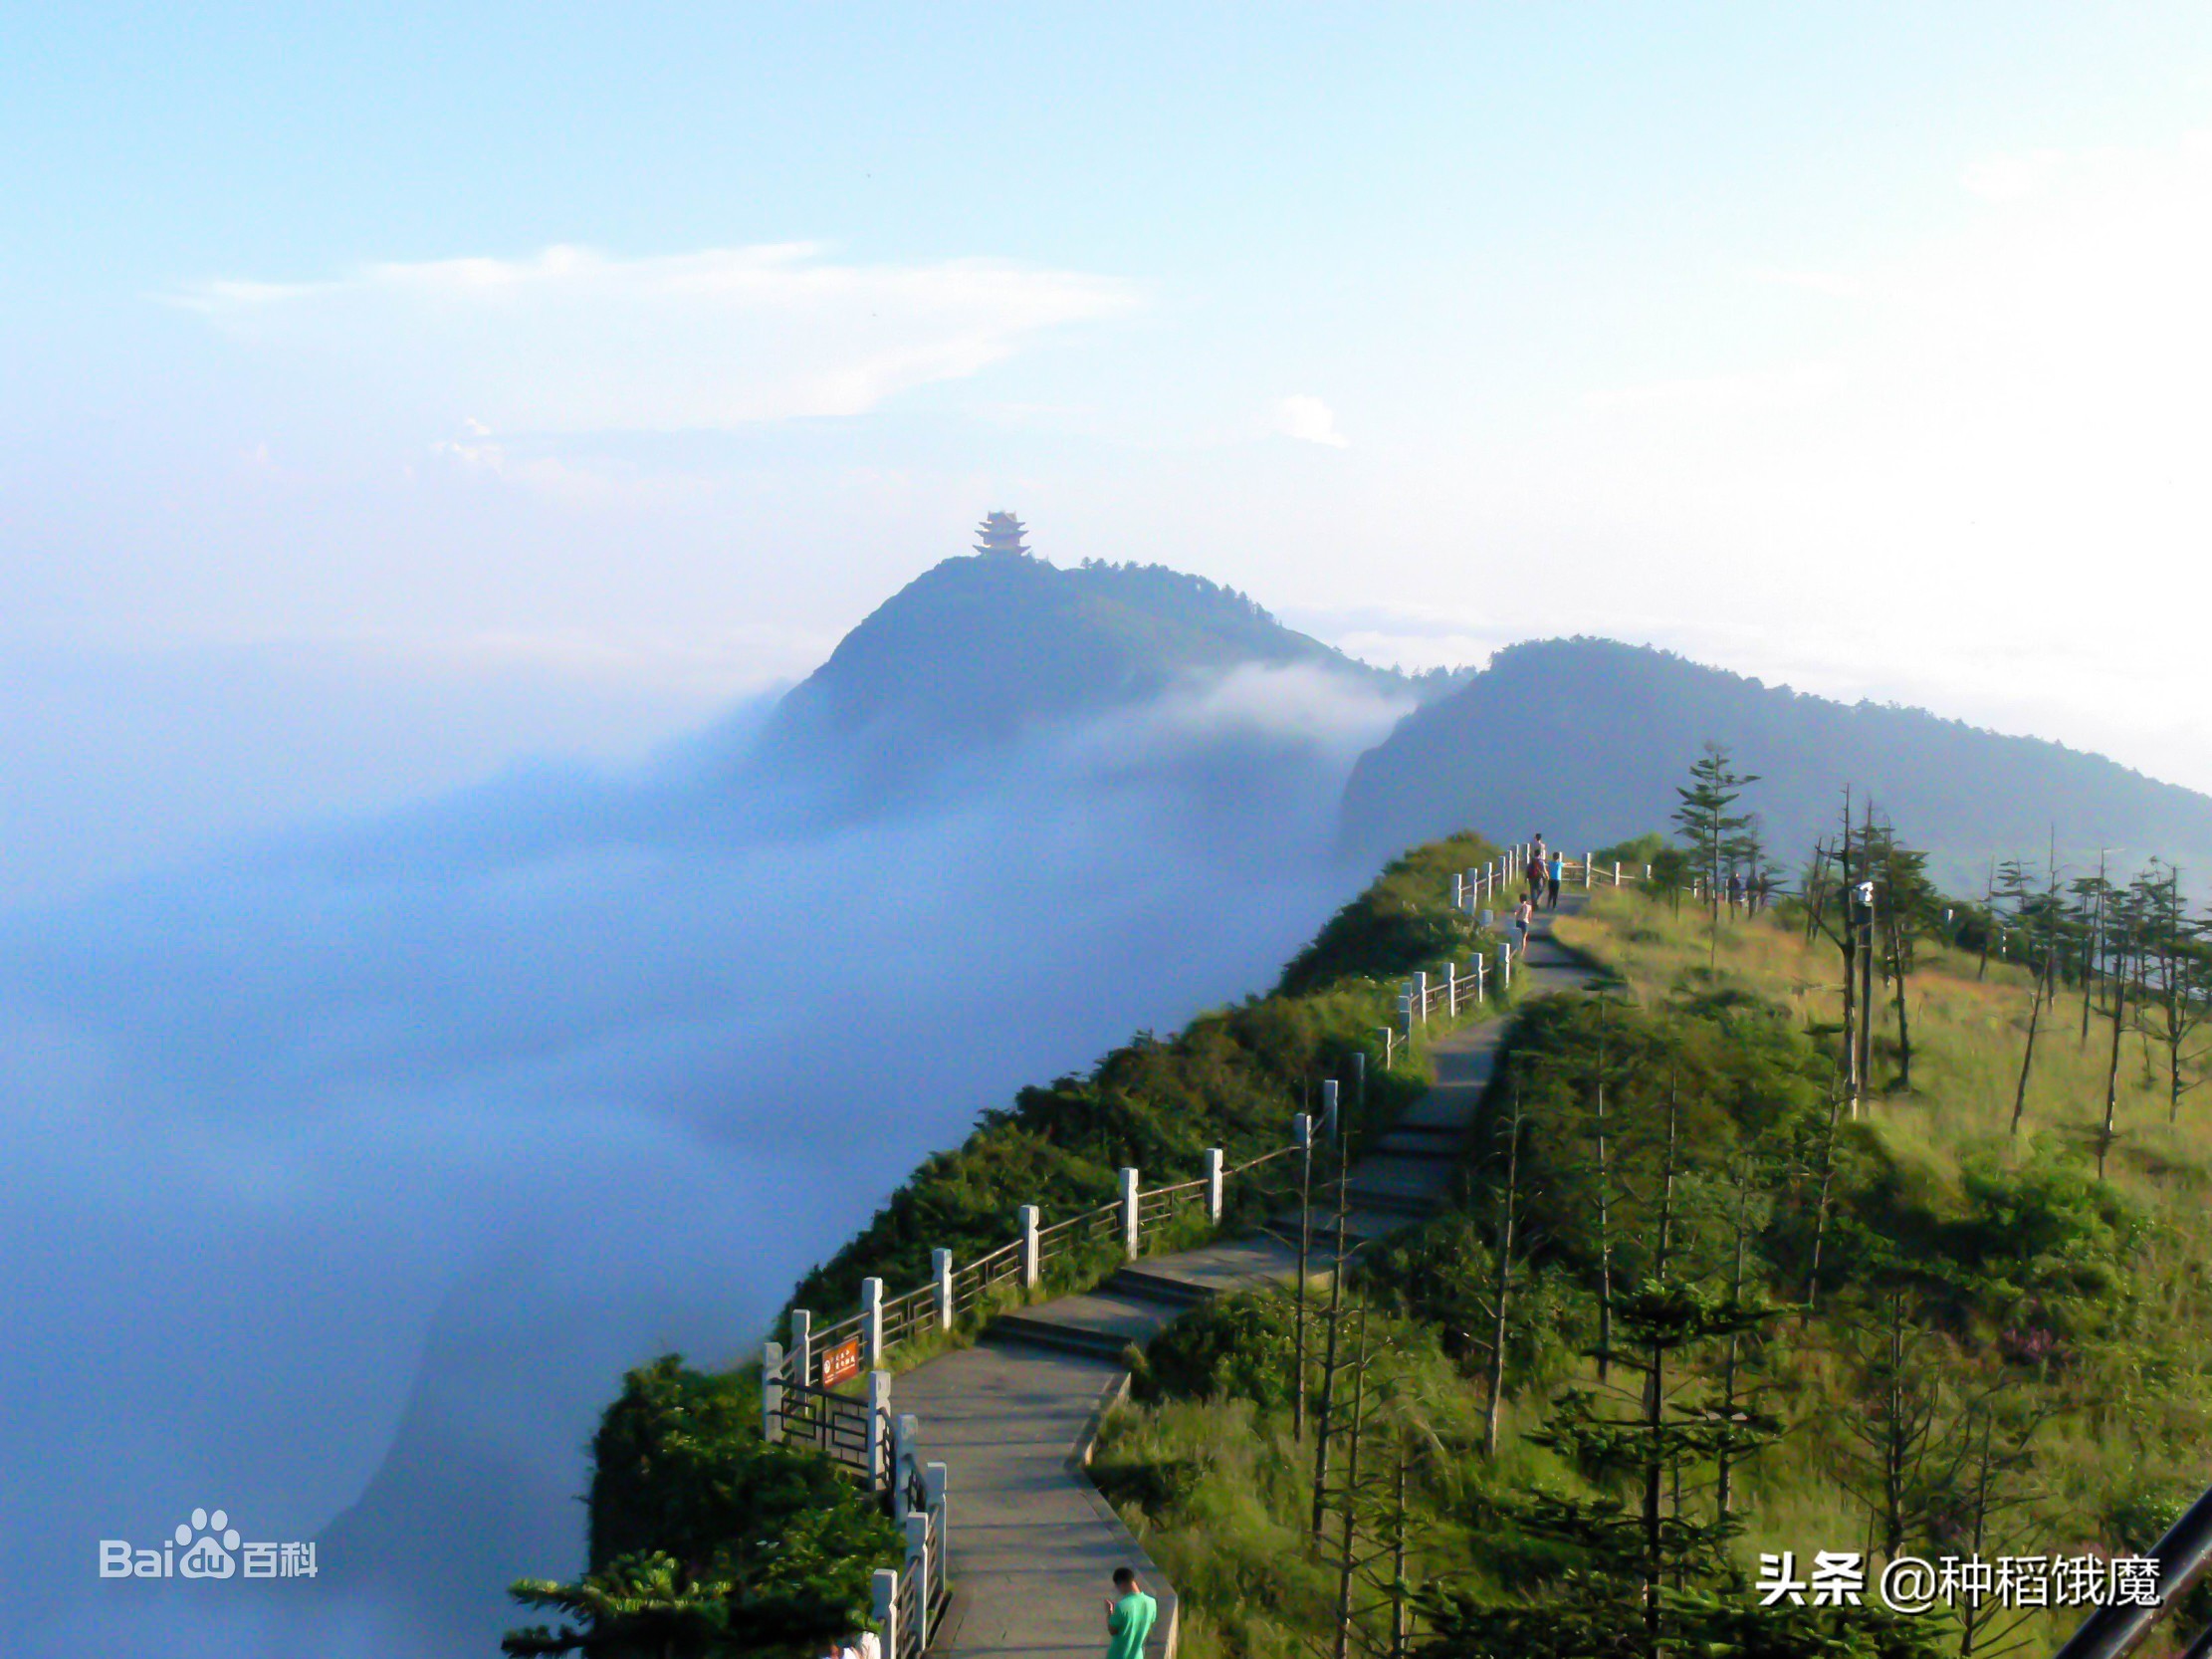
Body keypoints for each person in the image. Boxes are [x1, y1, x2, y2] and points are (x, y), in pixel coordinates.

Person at [1105, 1566, 1159, 1659]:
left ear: (1121, 1583)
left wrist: (1109, 1613)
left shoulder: (1122, 1606)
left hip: (1117, 1655)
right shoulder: (1152, 1603)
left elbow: (1112, 1630)